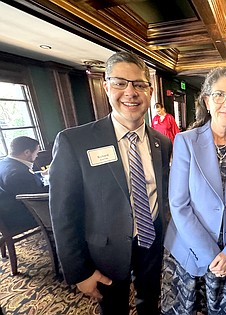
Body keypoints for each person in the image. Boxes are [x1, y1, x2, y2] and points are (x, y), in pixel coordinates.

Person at [49, 51, 172, 315]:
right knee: (113, 309)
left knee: (150, 302)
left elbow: (162, 193)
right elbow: (62, 213)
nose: (131, 92)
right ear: (106, 87)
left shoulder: (162, 143)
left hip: (151, 243)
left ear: (149, 91)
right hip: (105, 251)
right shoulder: (75, 141)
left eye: (139, 84)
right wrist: (79, 270)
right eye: (120, 83)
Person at [161, 65, 226, 315]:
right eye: (219, 95)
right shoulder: (186, 141)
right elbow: (179, 205)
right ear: (206, 100)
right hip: (190, 249)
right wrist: (210, 255)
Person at [0, 136, 48, 229]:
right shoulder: (16, 174)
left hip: (10, 208)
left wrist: (41, 174)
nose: (37, 155)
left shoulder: (4, 163)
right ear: (27, 152)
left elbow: (26, 182)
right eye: (36, 152)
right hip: (22, 215)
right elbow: (38, 195)